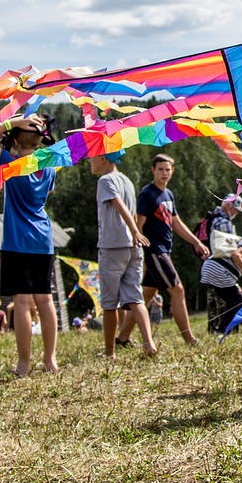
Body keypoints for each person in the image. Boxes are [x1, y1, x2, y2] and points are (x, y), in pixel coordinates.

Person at [0, 113, 60, 376]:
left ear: (14, 140)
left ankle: (24, 363)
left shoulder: (11, 164)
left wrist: (12, 123)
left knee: (22, 303)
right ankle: (50, 359)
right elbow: (49, 193)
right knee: (45, 302)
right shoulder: (48, 166)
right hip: (43, 240)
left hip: (17, 240)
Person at [126, 153, 207, 347]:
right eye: (160, 169)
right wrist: (140, 253)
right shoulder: (148, 194)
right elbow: (139, 225)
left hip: (165, 249)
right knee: (177, 290)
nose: (164, 173)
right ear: (153, 170)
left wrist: (196, 241)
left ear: (173, 171)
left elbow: (176, 223)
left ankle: (122, 338)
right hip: (155, 250)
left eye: (167, 169)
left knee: (145, 295)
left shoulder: (168, 195)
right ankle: (189, 339)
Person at [90, 149, 155, 359]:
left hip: (113, 245)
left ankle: (110, 353)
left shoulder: (105, 181)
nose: (90, 161)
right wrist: (135, 233)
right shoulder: (126, 180)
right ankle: (149, 344)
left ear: (102, 158)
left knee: (109, 303)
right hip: (133, 247)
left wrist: (135, 229)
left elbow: (119, 206)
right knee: (135, 298)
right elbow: (130, 208)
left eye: (92, 156)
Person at [201, 233, 242, 334]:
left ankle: (222, 329)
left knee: (231, 301)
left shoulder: (240, 243)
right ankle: (222, 331)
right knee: (238, 301)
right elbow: (235, 255)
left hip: (209, 269)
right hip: (219, 270)